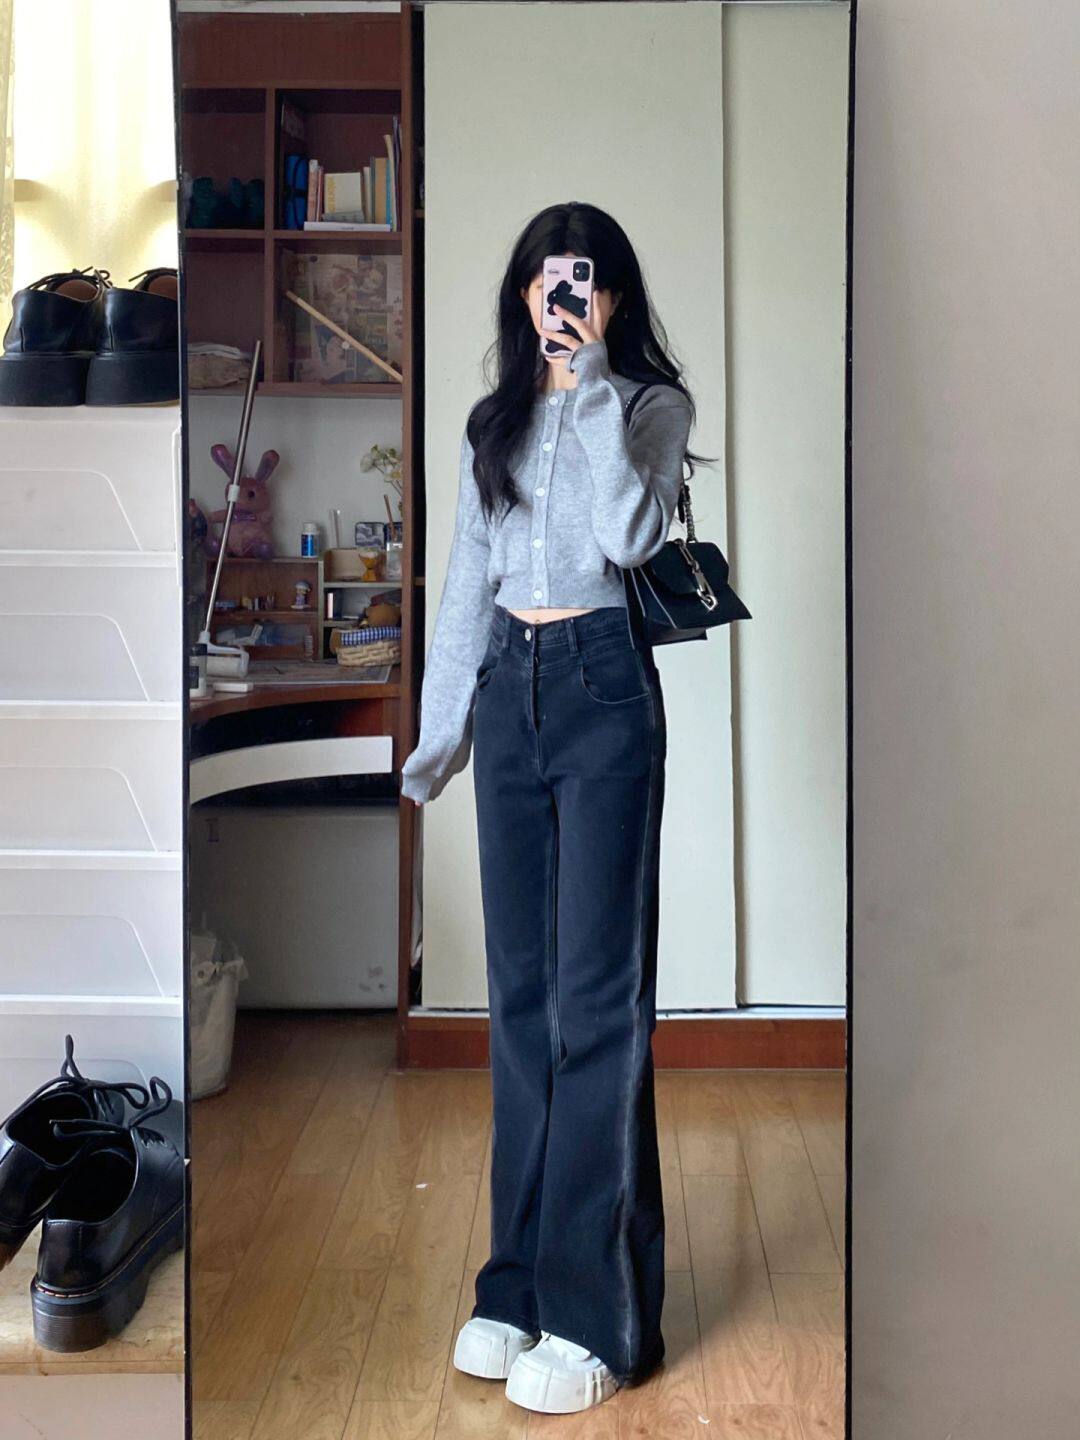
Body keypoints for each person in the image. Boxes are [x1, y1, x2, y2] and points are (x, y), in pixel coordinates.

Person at [400, 200, 704, 1415]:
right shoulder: (493, 423)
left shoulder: (649, 410)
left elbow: (628, 539)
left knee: (597, 1005)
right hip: (508, 690)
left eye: (582, 282)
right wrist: (440, 736)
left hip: (603, 687)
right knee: (520, 1004)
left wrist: (589, 394)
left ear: (611, 299)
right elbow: (464, 584)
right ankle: (519, 1282)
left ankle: (596, 1316)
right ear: (524, 294)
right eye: (543, 281)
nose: (560, 299)